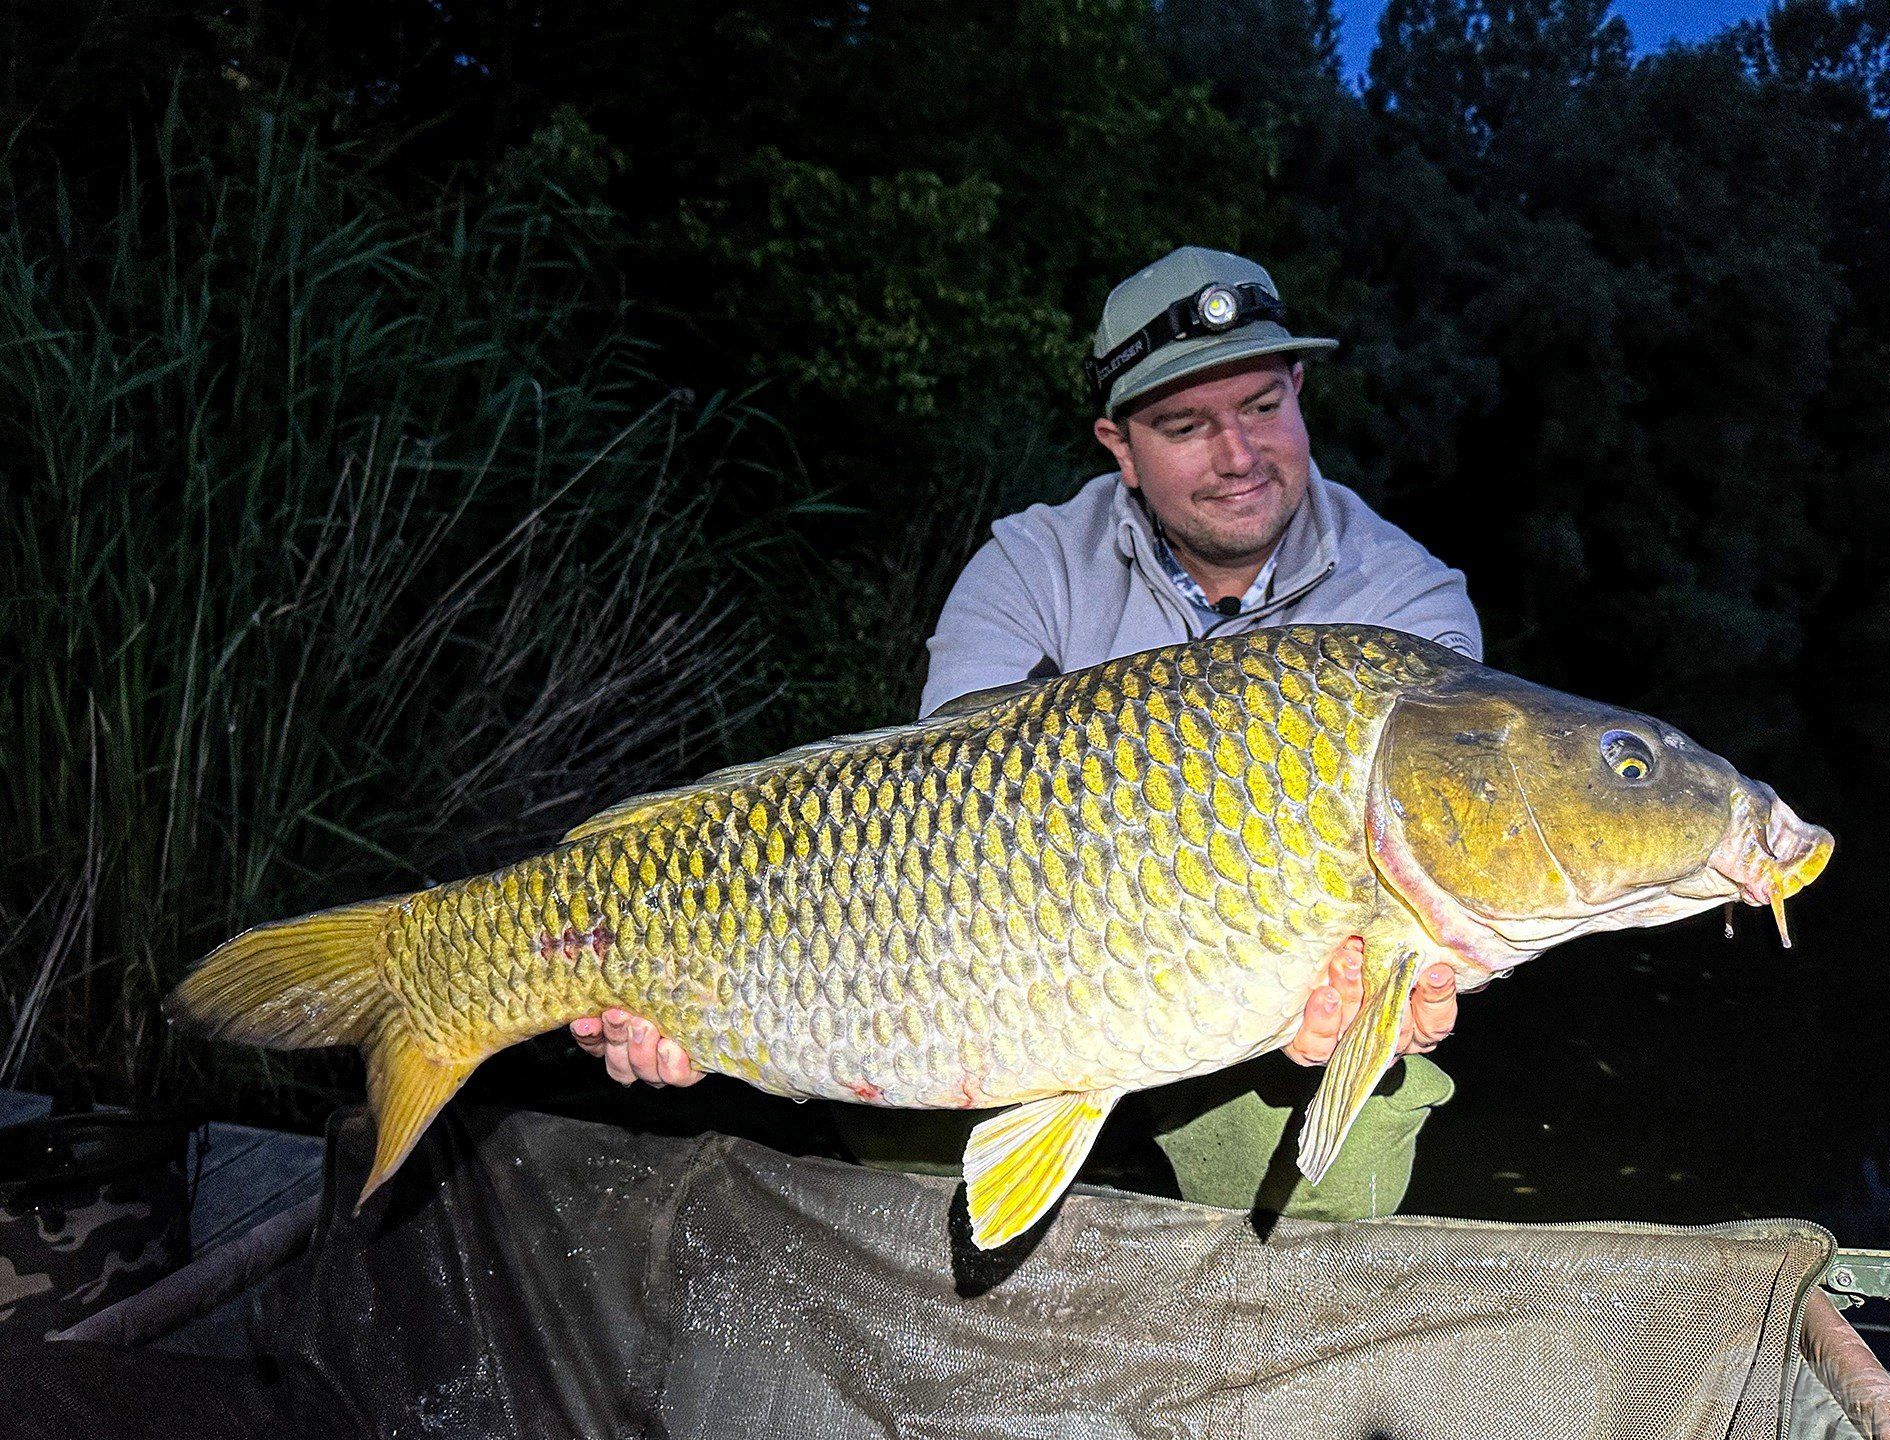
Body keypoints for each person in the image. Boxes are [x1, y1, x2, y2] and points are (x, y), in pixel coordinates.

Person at [572, 246, 1476, 1221]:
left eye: (1262, 406)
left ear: (1301, 390)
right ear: (1118, 445)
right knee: (894, 1083)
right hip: (1013, 972)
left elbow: (1432, 894)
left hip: (1246, 1021)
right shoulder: (1028, 567)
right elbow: (924, 842)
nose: (1239, 455)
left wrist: (1375, 1001)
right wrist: (686, 989)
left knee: (1348, 1146)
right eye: (1184, 426)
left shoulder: (1408, 615)